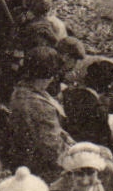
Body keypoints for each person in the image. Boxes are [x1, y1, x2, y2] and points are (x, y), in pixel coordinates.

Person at [4, 46, 74, 182]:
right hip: (42, 169)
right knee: (105, 167)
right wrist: (76, 152)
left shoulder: (23, 89)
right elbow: (54, 151)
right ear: (49, 75)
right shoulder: (38, 105)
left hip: (32, 157)